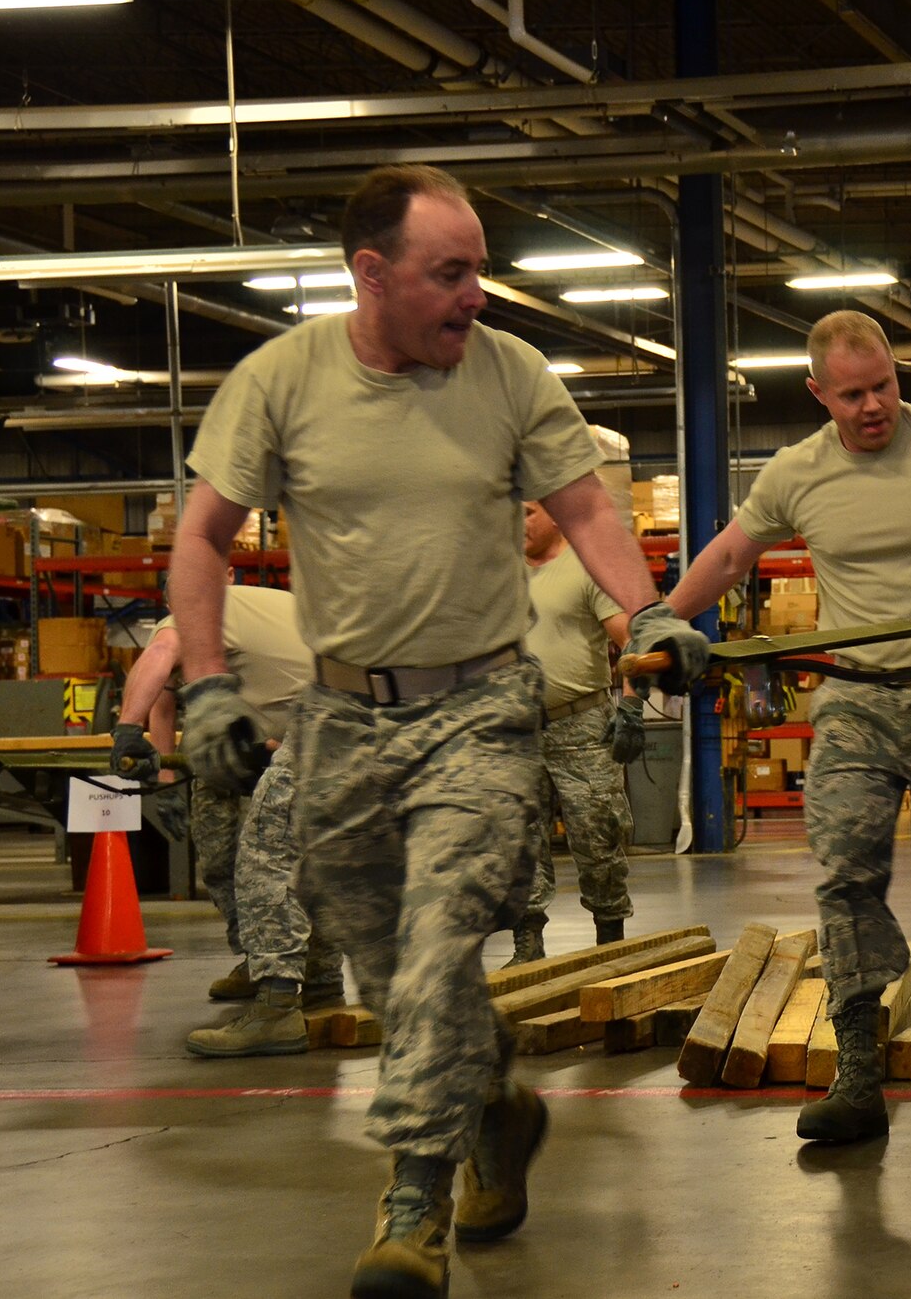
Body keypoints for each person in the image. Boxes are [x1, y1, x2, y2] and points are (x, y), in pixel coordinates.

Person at [169, 163, 705, 1299]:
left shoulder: (509, 375)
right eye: (449, 273)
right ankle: (497, 1102)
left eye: (481, 269)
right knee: (389, 968)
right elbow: (204, 533)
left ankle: (413, 1205)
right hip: (341, 722)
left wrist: (646, 607)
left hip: (482, 711)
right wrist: (206, 681)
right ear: (370, 274)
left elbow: (587, 508)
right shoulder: (279, 380)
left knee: (435, 943)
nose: (476, 296)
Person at [664, 309, 911, 1144]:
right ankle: (858, 1073)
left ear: (897, 374)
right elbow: (732, 555)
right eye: (852, 394)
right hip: (854, 700)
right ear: (818, 394)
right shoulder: (796, 472)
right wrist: (660, 622)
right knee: (844, 875)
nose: (873, 405)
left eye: (883, 385)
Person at [110, 583, 346, 1056]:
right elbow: (167, 697)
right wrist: (166, 773)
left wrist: (124, 729)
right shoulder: (248, 608)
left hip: (330, 726)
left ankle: (278, 1005)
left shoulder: (199, 609)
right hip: (333, 717)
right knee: (238, 846)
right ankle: (307, 975)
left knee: (264, 854)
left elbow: (161, 652)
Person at [507, 498, 638, 964]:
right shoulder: (499, 573)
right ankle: (527, 945)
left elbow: (631, 641)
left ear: (554, 513)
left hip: (582, 726)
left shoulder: (585, 569)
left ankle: (611, 941)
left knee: (597, 835)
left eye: (526, 511)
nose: (516, 521)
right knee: (519, 841)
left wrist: (633, 707)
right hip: (516, 731)